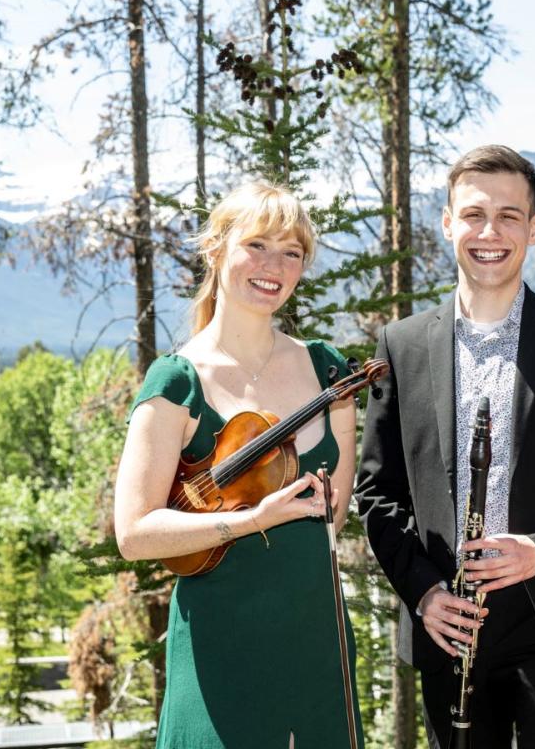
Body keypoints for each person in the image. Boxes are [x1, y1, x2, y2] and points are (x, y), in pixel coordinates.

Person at [355, 145, 535, 749]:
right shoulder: (402, 345)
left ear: (534, 227)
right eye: (473, 215)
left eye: (509, 216)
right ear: (447, 223)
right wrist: (424, 592)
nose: (489, 232)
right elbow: (377, 493)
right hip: (450, 622)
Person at [113, 182, 364, 749]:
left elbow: (332, 521)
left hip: (313, 630)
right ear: (215, 250)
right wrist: (253, 520)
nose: (274, 265)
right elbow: (134, 532)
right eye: (257, 245)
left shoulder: (330, 373)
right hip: (219, 638)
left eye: (292, 252)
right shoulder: (176, 381)